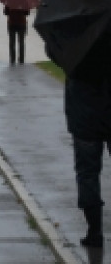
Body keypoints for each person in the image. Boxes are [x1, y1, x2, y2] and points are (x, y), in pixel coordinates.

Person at [60, 34, 111, 248]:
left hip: (85, 114)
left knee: (87, 174)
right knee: (87, 174)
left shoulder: (75, 35)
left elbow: (55, 54)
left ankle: (95, 230)